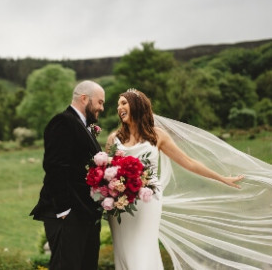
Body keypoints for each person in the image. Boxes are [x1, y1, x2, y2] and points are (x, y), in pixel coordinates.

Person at [106, 89, 272, 270]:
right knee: (124, 250)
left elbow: (188, 162)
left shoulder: (157, 135)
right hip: (120, 204)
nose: (119, 107)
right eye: (118, 104)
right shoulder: (114, 138)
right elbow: (106, 172)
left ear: (137, 106)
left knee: (143, 248)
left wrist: (221, 178)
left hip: (148, 201)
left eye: (123, 103)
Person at [30, 80, 105, 270]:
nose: (102, 108)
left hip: (85, 213)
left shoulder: (83, 126)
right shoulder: (63, 122)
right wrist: (64, 211)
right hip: (67, 214)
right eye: (100, 102)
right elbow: (55, 166)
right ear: (84, 98)